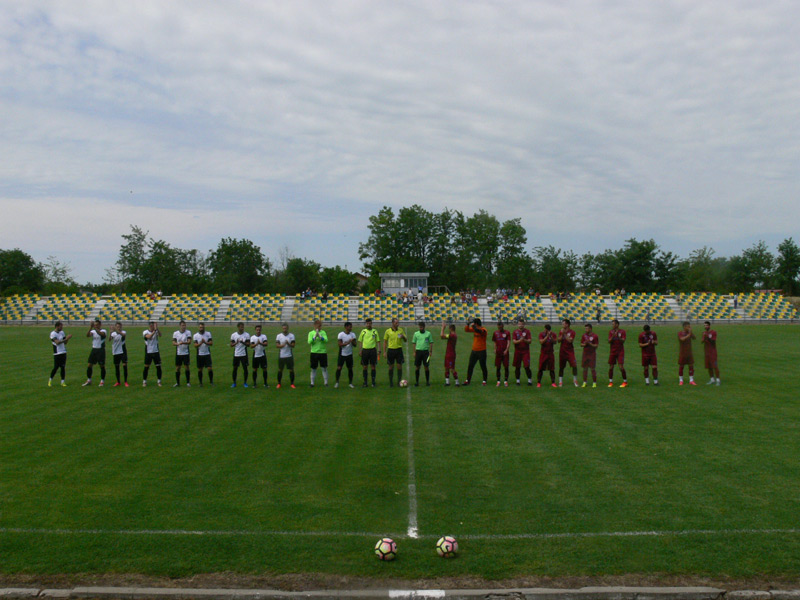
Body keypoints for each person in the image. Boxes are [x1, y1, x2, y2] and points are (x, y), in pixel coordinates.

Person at [82, 319, 107, 387]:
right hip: (94, 349)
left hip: (101, 350)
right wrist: (90, 327)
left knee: (101, 365)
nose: (95, 326)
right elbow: (88, 335)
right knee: (89, 365)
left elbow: (101, 334)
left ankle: (102, 381)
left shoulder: (103, 331)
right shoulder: (93, 331)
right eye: (95, 325)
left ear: (100, 325)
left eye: (97, 325)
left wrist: (95, 328)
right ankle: (89, 380)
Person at [463, 318, 488, 386]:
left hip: (482, 351)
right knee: (470, 366)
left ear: (476, 324)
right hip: (474, 351)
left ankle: (484, 380)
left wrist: (473, 326)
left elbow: (479, 331)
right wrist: (468, 324)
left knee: (483, 366)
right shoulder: (475, 329)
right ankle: (468, 380)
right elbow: (466, 330)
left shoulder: (484, 330)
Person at [383, 318, 407, 387]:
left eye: (398, 323)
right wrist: (384, 352)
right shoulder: (388, 331)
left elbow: (405, 340)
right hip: (391, 350)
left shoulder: (401, 330)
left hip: (399, 350)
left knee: (399, 367)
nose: (397, 324)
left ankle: (399, 382)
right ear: (393, 323)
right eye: (396, 323)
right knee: (391, 367)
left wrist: (403, 337)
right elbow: (385, 342)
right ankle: (391, 382)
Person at [358, 318, 380, 388]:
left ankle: (373, 382)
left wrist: (379, 350)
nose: (368, 325)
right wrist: (360, 350)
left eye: (370, 323)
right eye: (367, 323)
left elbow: (378, 341)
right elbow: (360, 341)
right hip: (365, 351)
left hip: (373, 350)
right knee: (365, 366)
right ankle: (365, 382)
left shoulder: (375, 331)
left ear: (371, 324)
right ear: (365, 324)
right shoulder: (363, 331)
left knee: (373, 366)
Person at [48, 320, 72, 387]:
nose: (62, 328)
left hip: (63, 351)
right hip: (57, 353)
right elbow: (57, 342)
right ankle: (50, 380)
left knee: (63, 367)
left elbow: (65, 343)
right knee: (56, 367)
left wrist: (67, 339)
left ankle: (62, 381)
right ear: (57, 326)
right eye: (61, 326)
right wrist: (66, 339)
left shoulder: (62, 332)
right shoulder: (53, 334)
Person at [308, 319, 329, 387]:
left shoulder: (323, 332)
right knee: (313, 368)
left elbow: (326, 340)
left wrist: (320, 337)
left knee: (324, 368)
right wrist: (314, 337)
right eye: (319, 326)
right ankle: (312, 383)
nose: (320, 327)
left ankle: (326, 382)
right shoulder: (311, 333)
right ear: (315, 326)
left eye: (320, 326)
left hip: (322, 352)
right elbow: (309, 342)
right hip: (314, 352)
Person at [557, 319, 579, 387]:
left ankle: (575, 380)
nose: (562, 325)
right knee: (561, 367)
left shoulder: (572, 332)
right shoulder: (561, 331)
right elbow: (558, 340)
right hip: (562, 352)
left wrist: (564, 334)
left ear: (567, 324)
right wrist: (561, 334)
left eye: (563, 324)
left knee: (574, 365)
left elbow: (570, 341)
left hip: (570, 352)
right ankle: (560, 381)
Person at [411, 321, 434, 386]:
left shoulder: (428, 334)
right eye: (419, 327)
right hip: (418, 352)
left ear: (424, 327)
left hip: (426, 352)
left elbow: (431, 342)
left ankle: (427, 381)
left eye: (421, 327)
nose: (420, 328)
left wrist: (430, 351)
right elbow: (414, 343)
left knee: (426, 366)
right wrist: (414, 352)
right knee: (417, 367)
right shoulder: (416, 334)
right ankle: (417, 382)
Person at [512, 318, 533, 385]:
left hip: (525, 351)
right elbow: (514, 341)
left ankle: (529, 380)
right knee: (517, 366)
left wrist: (524, 340)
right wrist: (520, 340)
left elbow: (530, 341)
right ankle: (517, 380)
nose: (520, 325)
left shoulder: (527, 331)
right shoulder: (515, 332)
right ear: (518, 324)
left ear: (524, 324)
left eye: (522, 324)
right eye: (519, 324)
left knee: (527, 366)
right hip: (518, 351)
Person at [275, 322, 296, 389]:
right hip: (282, 355)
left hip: (289, 355)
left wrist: (288, 344)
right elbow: (277, 346)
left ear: (288, 328)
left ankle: (292, 383)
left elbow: (293, 345)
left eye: (286, 328)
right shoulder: (279, 336)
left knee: (291, 370)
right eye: (283, 328)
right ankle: (279, 383)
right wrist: (283, 345)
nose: (284, 329)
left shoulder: (291, 336)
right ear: (282, 328)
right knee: (280, 369)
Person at [336, 321, 357, 388]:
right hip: (342, 354)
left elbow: (355, 345)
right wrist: (347, 343)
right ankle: (337, 382)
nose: (351, 328)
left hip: (349, 354)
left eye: (351, 327)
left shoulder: (353, 334)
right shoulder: (341, 334)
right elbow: (339, 344)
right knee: (339, 368)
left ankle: (350, 383)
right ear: (346, 327)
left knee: (350, 368)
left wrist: (353, 341)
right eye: (350, 327)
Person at [608, 319, 628, 387]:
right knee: (611, 367)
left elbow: (623, 341)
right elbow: (609, 341)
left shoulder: (622, 331)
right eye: (612, 324)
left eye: (613, 324)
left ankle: (625, 381)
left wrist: (618, 337)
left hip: (620, 351)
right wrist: (613, 336)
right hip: (613, 351)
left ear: (617, 324)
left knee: (621, 367)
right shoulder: (611, 332)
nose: (612, 325)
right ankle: (610, 382)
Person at [230, 322, 250, 388]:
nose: (242, 328)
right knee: (235, 368)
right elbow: (231, 345)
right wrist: (236, 342)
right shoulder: (233, 335)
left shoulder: (246, 335)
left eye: (243, 327)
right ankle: (234, 383)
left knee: (245, 368)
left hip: (244, 354)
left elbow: (248, 344)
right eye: (241, 327)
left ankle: (245, 382)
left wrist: (243, 342)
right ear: (238, 327)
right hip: (236, 354)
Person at [172, 320, 192, 387]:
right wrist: (177, 344)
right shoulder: (175, 333)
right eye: (182, 325)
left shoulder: (188, 332)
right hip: (179, 353)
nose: (184, 327)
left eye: (184, 325)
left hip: (186, 352)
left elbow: (189, 342)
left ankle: (188, 382)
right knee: (178, 368)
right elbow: (173, 343)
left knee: (187, 367)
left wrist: (183, 342)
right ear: (180, 326)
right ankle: (177, 382)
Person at [193, 322, 214, 386]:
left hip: (207, 353)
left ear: (204, 327)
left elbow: (211, 343)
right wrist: (201, 343)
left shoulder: (208, 334)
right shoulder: (195, 335)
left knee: (209, 368)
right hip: (200, 354)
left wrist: (205, 342)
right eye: (200, 327)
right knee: (200, 369)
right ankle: (200, 383)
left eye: (202, 327)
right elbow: (195, 345)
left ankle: (211, 382)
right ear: (198, 328)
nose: (201, 328)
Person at [142, 321, 162, 387]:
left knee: (158, 366)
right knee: (146, 367)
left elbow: (160, 335)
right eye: (152, 325)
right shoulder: (145, 332)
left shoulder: (156, 331)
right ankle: (144, 381)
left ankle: (159, 381)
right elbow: (149, 337)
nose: (153, 326)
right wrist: (154, 331)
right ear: (150, 326)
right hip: (148, 352)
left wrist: (157, 329)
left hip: (156, 351)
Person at [701, 321, 721, 385]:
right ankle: (712, 379)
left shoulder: (713, 332)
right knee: (709, 366)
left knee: (715, 366)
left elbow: (713, 342)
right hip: (707, 352)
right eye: (704, 325)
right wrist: (704, 338)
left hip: (713, 352)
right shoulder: (704, 333)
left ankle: (718, 380)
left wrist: (707, 337)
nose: (705, 327)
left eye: (707, 325)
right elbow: (702, 341)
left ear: (709, 326)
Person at [492, 320, 511, 387]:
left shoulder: (507, 332)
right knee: (498, 366)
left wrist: (506, 350)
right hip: (498, 352)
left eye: (500, 327)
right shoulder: (495, 333)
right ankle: (498, 381)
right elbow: (495, 342)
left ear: (503, 326)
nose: (499, 328)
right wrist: (495, 349)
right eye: (498, 327)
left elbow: (508, 341)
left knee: (506, 366)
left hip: (505, 352)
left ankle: (506, 381)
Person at [440, 321, 459, 386]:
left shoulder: (452, 335)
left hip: (451, 354)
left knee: (451, 368)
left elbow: (442, 336)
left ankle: (457, 382)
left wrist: (443, 328)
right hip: (448, 353)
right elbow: (443, 336)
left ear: (451, 329)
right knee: (446, 367)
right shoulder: (452, 335)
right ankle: (447, 382)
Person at [580, 323, 599, 387]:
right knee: (585, 368)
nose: (586, 330)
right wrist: (585, 344)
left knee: (592, 368)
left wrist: (589, 343)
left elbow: (596, 345)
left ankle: (594, 382)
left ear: (590, 329)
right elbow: (581, 344)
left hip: (592, 354)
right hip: (585, 354)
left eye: (587, 328)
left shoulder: (595, 336)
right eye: (585, 328)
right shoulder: (584, 336)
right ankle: (584, 382)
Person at [678, 321, 696, 385]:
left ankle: (691, 380)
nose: (689, 328)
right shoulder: (680, 333)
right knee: (681, 366)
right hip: (683, 352)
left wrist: (691, 333)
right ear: (684, 327)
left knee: (691, 366)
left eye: (689, 326)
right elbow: (682, 339)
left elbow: (694, 338)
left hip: (689, 352)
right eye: (688, 326)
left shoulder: (689, 333)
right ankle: (681, 380)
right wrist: (689, 334)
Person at [110, 321, 128, 387]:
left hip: (123, 351)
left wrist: (116, 330)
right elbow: (110, 339)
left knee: (124, 365)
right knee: (117, 366)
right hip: (116, 351)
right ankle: (118, 382)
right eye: (117, 327)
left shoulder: (123, 332)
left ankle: (125, 381)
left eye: (119, 327)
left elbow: (123, 335)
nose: (119, 328)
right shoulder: (114, 333)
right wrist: (110, 332)